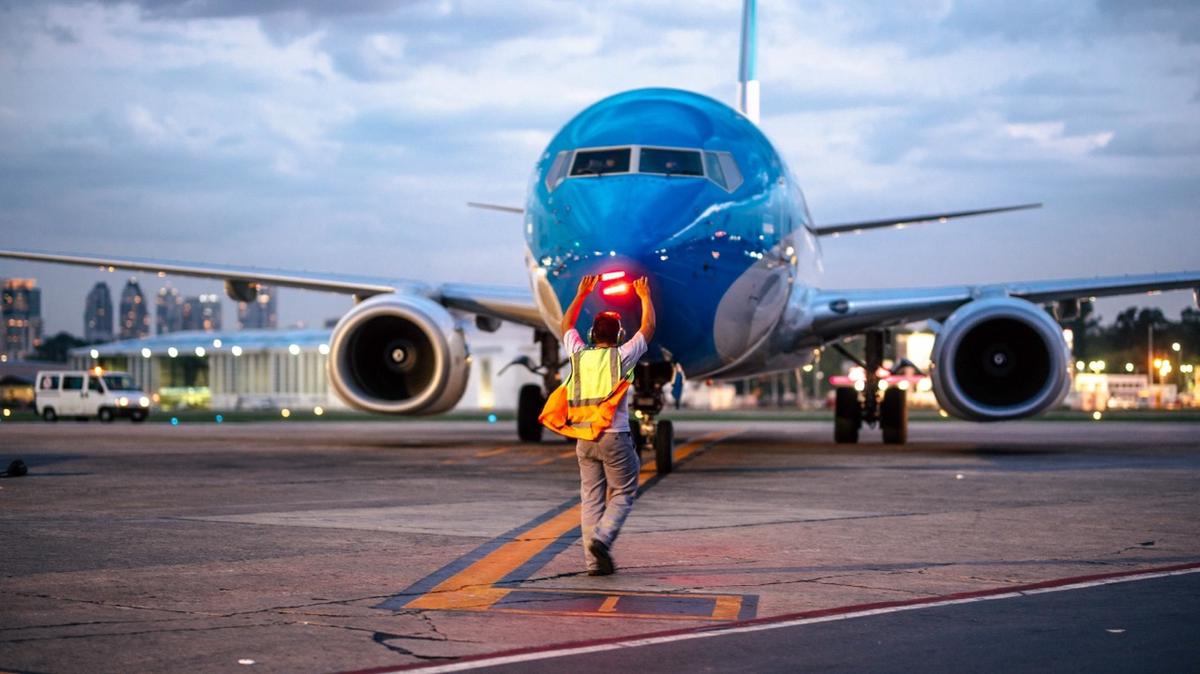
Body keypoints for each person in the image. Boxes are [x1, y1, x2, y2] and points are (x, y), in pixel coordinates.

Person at [559, 274, 656, 576]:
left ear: (591, 334)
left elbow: (565, 327)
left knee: (590, 498)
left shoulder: (578, 355)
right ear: (618, 336)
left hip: (584, 438)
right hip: (614, 437)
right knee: (625, 491)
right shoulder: (622, 357)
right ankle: (602, 538)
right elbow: (648, 328)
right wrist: (643, 296)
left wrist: (581, 294)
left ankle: (592, 563)